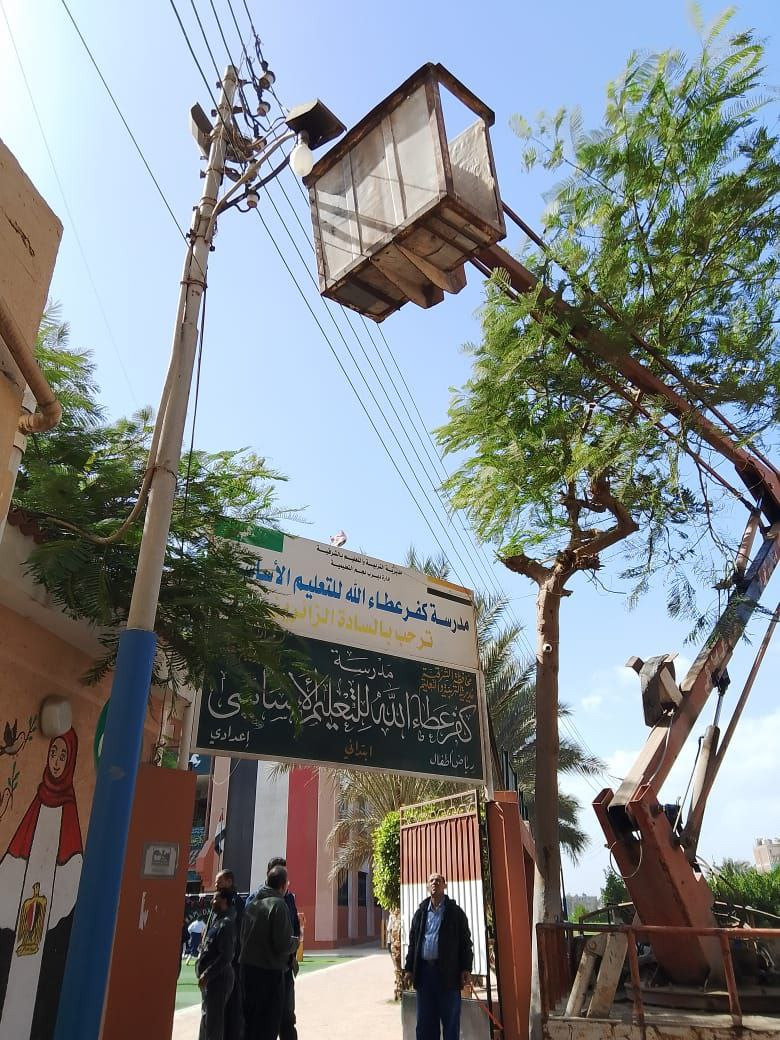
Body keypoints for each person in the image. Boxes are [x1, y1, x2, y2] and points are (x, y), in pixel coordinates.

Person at [403, 872, 473, 1040]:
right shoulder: (420, 914)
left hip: (448, 974)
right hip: (425, 975)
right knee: (425, 1023)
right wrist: (409, 969)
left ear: (445, 885)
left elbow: (465, 942)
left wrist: (466, 968)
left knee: (450, 1023)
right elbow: (413, 944)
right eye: (431, 880)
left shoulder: (455, 913)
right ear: (428, 886)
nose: (434, 882)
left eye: (438, 880)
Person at [240, 865, 298, 1040]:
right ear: (283, 885)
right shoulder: (279, 905)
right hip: (269, 974)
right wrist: (295, 942)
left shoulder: (252, 903)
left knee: (250, 1024)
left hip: (248, 972)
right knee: (268, 1025)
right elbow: (282, 944)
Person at [196, 888, 236, 1040]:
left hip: (219, 980)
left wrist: (207, 974)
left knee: (214, 1025)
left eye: (215, 899)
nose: (212, 902)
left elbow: (226, 956)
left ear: (224, 901)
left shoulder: (226, 924)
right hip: (211, 981)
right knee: (207, 1020)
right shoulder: (216, 921)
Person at [267, 857, 300, 1040]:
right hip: (266, 970)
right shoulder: (257, 900)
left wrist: (292, 953)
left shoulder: (289, 899)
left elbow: (295, 927)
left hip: (286, 968)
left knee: (287, 1019)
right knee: (267, 1019)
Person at [216, 870, 245, 1040]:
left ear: (229, 881)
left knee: (233, 1008)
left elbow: (237, 933)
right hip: (222, 963)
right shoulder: (219, 902)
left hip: (232, 963)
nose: (216, 885)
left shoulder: (236, 903)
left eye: (219, 881)